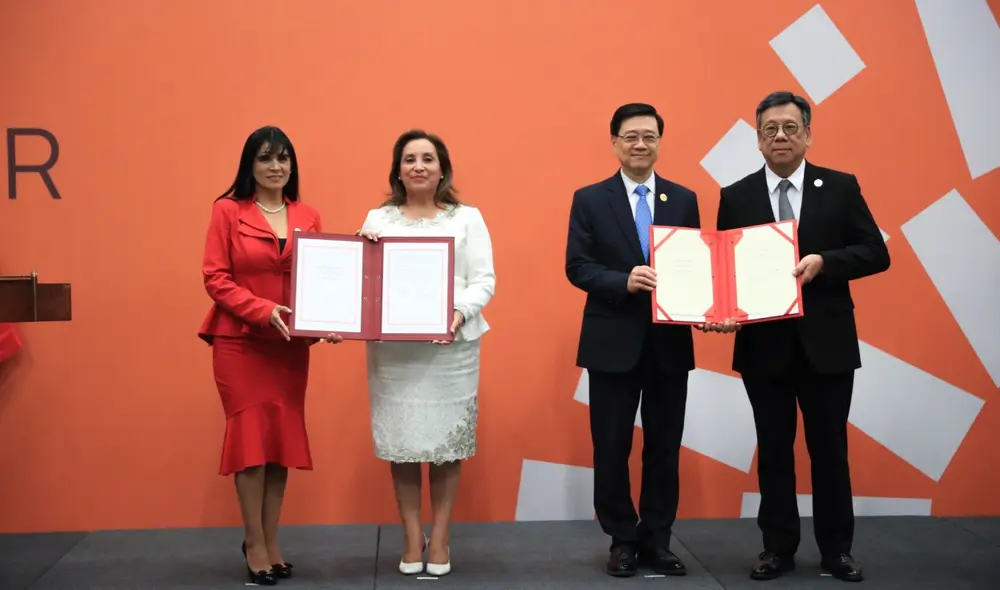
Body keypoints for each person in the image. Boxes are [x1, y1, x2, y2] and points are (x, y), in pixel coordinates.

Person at [712, 91, 890, 582]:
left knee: (830, 450)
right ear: (758, 139)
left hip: (827, 346)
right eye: (770, 129)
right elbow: (726, 272)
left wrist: (825, 263)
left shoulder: (840, 187)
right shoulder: (736, 195)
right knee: (772, 452)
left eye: (790, 127)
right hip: (763, 346)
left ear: (808, 133)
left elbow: (876, 253)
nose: (781, 137)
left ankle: (837, 550)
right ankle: (777, 548)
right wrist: (724, 312)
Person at [198, 126, 343, 586]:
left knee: (280, 445)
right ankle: (253, 542)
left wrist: (329, 321)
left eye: (283, 158)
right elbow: (216, 279)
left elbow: (321, 281)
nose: (276, 166)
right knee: (251, 446)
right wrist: (264, 311)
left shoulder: (309, 215)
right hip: (240, 343)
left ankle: (271, 540)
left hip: (288, 349)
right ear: (250, 165)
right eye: (265, 159)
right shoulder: (227, 211)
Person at [565, 103, 700, 578]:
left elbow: (696, 267)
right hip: (611, 343)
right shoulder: (590, 198)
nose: (640, 144)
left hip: (669, 343)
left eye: (649, 136)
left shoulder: (684, 199)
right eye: (630, 136)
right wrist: (621, 281)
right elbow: (577, 266)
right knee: (611, 445)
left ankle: (658, 540)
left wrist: (707, 305)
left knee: (665, 446)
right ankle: (622, 538)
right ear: (614, 143)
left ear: (660, 142)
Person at [356, 129, 495, 578]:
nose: (419, 166)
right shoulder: (377, 219)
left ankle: (440, 536)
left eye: (428, 159)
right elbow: (364, 282)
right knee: (403, 446)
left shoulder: (467, 218)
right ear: (397, 169)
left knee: (445, 447)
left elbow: (484, 281)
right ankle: (411, 535)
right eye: (410, 159)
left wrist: (457, 312)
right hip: (394, 354)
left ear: (442, 169)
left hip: (450, 349)